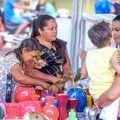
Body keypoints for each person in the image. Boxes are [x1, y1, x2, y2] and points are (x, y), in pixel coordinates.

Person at [24, 14, 72, 95]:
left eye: (56, 27)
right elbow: (28, 71)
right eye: (51, 29)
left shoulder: (60, 44)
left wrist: (59, 84)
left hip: (58, 91)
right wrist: (53, 79)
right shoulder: (30, 44)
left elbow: (67, 68)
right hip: (36, 91)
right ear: (40, 30)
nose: (55, 31)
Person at [84, 21, 120, 120]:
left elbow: (83, 74)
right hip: (109, 90)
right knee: (110, 115)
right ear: (110, 38)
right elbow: (116, 66)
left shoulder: (89, 54)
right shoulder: (113, 51)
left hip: (95, 91)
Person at [0, 38, 52, 102]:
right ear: (24, 50)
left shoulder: (18, 59)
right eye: (32, 56)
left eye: (35, 57)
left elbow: (26, 73)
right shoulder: (13, 58)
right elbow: (19, 77)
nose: (33, 59)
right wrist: (41, 83)